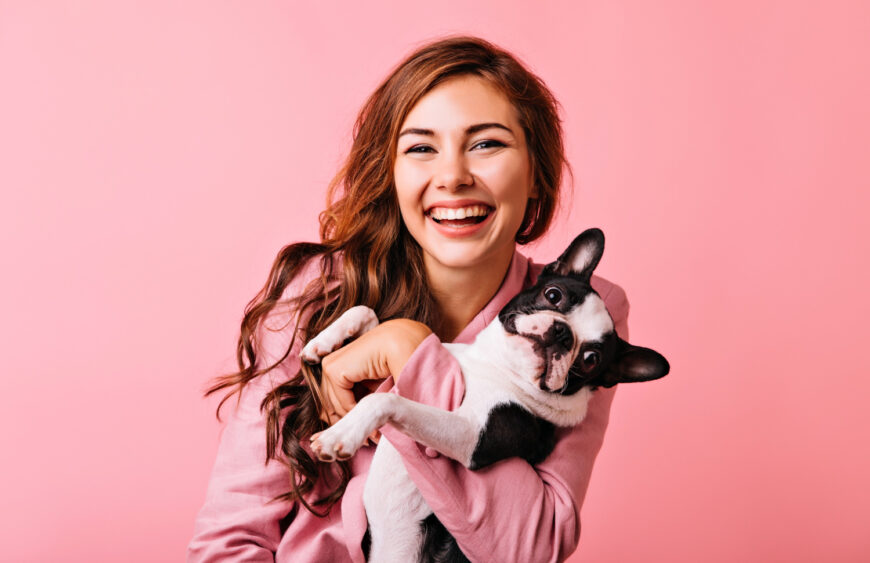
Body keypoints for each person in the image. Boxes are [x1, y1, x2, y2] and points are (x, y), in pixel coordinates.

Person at [188, 35, 630, 563]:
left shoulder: (588, 315)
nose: (453, 177)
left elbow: (529, 547)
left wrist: (412, 354)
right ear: (392, 174)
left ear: (536, 174)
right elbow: (230, 542)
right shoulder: (317, 292)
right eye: (421, 147)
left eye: (486, 144)